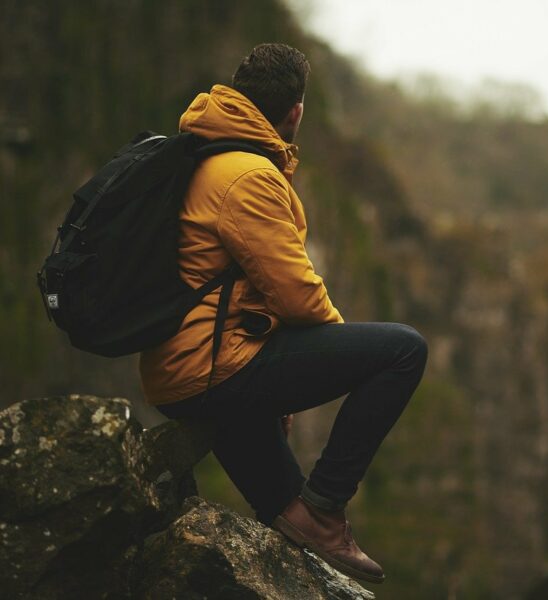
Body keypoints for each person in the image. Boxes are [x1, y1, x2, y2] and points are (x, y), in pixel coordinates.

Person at [139, 43, 428, 584]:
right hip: (211, 369)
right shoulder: (247, 175)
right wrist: (327, 360)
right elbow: (296, 294)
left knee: (289, 523)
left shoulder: (203, 153)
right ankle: (328, 506)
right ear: (295, 111)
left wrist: (280, 369)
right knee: (403, 349)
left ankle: (310, 521)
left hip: (187, 369)